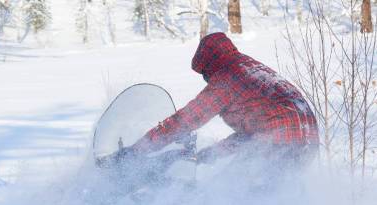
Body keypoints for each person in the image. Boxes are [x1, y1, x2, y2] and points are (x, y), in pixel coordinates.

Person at [127, 32, 319, 170]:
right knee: (280, 199)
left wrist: (136, 151)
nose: (206, 79)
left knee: (228, 196)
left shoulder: (227, 77)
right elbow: (253, 134)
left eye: (204, 73)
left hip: (277, 142)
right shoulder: (249, 67)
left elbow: (185, 120)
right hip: (307, 139)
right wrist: (210, 154)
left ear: (209, 65)